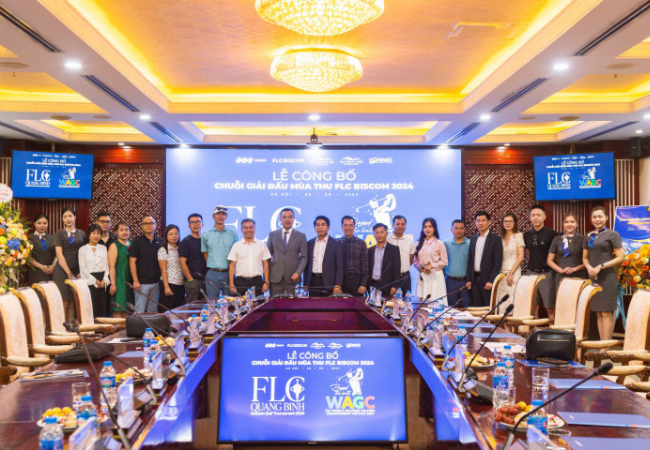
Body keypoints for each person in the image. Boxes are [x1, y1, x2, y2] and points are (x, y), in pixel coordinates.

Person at [582, 206, 625, 341]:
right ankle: (602, 345)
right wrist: (589, 268)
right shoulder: (588, 236)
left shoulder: (613, 235)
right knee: (598, 313)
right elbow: (585, 258)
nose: (597, 219)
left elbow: (620, 257)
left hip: (607, 277)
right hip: (593, 277)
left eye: (600, 216)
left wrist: (601, 266)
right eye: (594, 217)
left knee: (606, 313)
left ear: (606, 217)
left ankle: (606, 346)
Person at [524, 204, 559, 321]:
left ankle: (553, 331)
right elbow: (527, 253)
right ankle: (533, 331)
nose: (535, 217)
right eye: (533, 215)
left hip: (546, 274)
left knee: (550, 308)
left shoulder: (552, 234)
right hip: (531, 274)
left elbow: (556, 256)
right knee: (533, 308)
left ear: (544, 217)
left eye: (538, 215)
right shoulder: (527, 235)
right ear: (530, 217)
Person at [53, 207, 87, 321]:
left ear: (75, 217)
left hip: (77, 271)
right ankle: (61, 328)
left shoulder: (82, 233)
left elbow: (84, 253)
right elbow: (59, 255)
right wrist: (69, 273)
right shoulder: (60, 233)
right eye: (65, 217)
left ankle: (71, 328)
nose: (68, 219)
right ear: (62, 219)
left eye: (70, 216)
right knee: (64, 302)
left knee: (72, 302)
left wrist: (80, 272)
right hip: (62, 271)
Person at [267, 208, 308, 296]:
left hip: (293, 278)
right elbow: (267, 258)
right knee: (275, 303)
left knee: (292, 304)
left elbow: (304, 258)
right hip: (275, 278)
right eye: (284, 217)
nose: (287, 219)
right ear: (280, 219)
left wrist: (298, 272)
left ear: (294, 219)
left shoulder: (301, 236)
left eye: (290, 217)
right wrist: (266, 279)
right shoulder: (272, 235)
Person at [466, 211, 503, 308]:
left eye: (483, 220)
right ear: (475, 222)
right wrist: (469, 279)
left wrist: (491, 280)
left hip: (487, 280)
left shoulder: (496, 239)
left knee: (488, 308)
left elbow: (497, 263)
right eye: (478, 221)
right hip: (475, 280)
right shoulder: (473, 238)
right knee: (477, 308)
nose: (480, 223)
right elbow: (470, 260)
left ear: (489, 222)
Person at [202, 205, 238, 298]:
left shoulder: (233, 234)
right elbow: (205, 253)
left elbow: (235, 255)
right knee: (212, 302)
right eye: (218, 214)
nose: (220, 216)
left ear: (226, 217)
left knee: (229, 302)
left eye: (223, 214)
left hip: (228, 273)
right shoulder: (206, 235)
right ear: (213, 216)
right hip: (212, 273)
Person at [228, 219, 271, 295]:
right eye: (245, 228)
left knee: (258, 302)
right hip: (240, 282)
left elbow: (265, 264)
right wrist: (231, 284)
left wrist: (266, 282)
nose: (248, 230)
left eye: (251, 227)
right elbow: (232, 265)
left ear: (255, 229)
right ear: (241, 230)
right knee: (241, 302)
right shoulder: (236, 245)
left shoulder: (261, 245)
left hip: (257, 282)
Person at [129, 216, 162, 313]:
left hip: (156, 283)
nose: (148, 226)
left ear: (155, 225)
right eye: (145, 224)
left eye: (151, 223)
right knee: (139, 311)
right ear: (142, 226)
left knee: (153, 311)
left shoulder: (160, 242)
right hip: (141, 283)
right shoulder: (136, 243)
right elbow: (132, 262)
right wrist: (135, 281)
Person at [548, 213, 588, 294]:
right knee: (562, 300)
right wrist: (561, 270)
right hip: (561, 276)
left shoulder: (583, 238)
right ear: (563, 224)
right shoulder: (557, 239)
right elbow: (549, 261)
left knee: (578, 300)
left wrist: (575, 269)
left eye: (572, 222)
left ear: (577, 224)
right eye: (566, 222)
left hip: (579, 276)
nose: (569, 224)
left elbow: (588, 260)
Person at [304, 216, 343, 297]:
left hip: (329, 282)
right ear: (315, 228)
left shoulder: (336, 243)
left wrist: (338, 284)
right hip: (313, 282)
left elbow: (340, 266)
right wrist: (305, 283)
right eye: (317, 225)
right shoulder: (310, 243)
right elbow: (307, 266)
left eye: (323, 225)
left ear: (328, 227)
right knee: (313, 304)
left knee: (328, 305)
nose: (320, 227)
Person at [79, 224, 111, 318]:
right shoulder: (83, 249)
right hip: (89, 281)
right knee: (91, 307)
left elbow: (107, 266)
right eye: (93, 233)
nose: (96, 236)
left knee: (102, 307)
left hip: (102, 280)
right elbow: (83, 268)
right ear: (89, 235)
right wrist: (94, 281)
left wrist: (104, 279)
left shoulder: (103, 248)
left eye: (98, 233)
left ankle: (102, 327)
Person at [413, 218, 448, 303]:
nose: (427, 229)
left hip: (435, 276)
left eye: (430, 226)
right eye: (425, 227)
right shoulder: (418, 243)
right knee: (422, 302)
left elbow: (444, 262)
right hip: (423, 276)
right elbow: (416, 261)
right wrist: (419, 266)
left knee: (435, 301)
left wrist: (431, 266)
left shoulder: (439, 243)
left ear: (434, 228)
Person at [496, 213, 525, 311]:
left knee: (512, 297)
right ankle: (502, 320)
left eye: (510, 221)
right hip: (501, 271)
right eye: (505, 221)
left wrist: (511, 273)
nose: (508, 223)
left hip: (514, 271)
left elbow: (521, 256)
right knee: (501, 298)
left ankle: (511, 320)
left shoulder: (518, 236)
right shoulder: (500, 238)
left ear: (515, 223)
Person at [179, 213, 207, 304]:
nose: (195, 224)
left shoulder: (205, 240)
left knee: (204, 306)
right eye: (192, 222)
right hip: (193, 280)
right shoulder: (186, 242)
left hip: (206, 279)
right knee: (191, 307)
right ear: (189, 226)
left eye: (198, 222)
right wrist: (190, 279)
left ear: (202, 224)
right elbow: (182, 262)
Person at [368, 223, 401, 298]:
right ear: (374, 234)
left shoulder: (394, 250)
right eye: (377, 232)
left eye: (381, 232)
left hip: (387, 285)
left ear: (386, 233)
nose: (379, 235)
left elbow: (396, 270)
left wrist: (394, 286)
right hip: (372, 285)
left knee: (386, 305)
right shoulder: (370, 250)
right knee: (371, 304)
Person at [108, 221, 133, 318]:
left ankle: (126, 328)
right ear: (116, 232)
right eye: (121, 230)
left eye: (126, 230)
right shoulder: (114, 245)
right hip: (119, 281)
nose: (124, 232)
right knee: (118, 309)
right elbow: (111, 266)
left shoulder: (132, 244)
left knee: (128, 310)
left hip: (130, 282)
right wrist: (113, 284)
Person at [443, 220, 471, 308]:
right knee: (451, 308)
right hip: (450, 281)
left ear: (465, 229)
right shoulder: (446, 244)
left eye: (461, 228)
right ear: (451, 230)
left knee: (467, 307)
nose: (459, 230)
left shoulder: (470, 243)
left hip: (465, 282)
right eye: (456, 228)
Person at [339, 216, 369, 296]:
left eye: (351, 225)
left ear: (354, 227)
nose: (348, 228)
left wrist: (363, 284)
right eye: (345, 225)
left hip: (357, 282)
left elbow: (365, 266)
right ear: (342, 227)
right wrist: (337, 284)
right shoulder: (337, 243)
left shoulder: (361, 243)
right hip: (341, 282)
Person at [159, 224, 185, 310]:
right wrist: (166, 287)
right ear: (166, 236)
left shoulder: (181, 248)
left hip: (181, 283)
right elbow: (163, 269)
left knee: (179, 310)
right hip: (169, 284)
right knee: (168, 311)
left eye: (176, 233)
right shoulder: (163, 250)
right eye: (171, 234)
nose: (174, 236)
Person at [387, 215, 415, 294]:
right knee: (390, 300)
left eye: (403, 224)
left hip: (405, 277)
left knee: (406, 299)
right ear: (393, 225)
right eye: (398, 224)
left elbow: (410, 260)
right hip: (390, 277)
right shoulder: (387, 239)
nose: (400, 226)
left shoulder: (410, 241)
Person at [28, 213, 56, 285]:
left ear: (48, 224)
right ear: (34, 224)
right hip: (36, 272)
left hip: (50, 272)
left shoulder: (53, 238)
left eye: (44, 223)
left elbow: (57, 255)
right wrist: (42, 267)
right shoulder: (29, 238)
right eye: (39, 223)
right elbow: (28, 257)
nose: (42, 225)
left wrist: (53, 266)